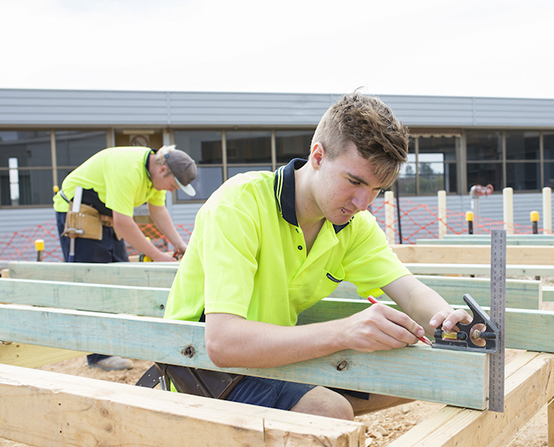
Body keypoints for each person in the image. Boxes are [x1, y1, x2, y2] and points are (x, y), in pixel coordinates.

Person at [163, 92, 472, 420]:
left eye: (376, 190)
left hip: (271, 357)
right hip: (200, 369)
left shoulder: (354, 226)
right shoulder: (240, 205)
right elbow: (222, 344)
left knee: (428, 375)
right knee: (329, 410)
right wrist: (344, 332)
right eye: (354, 181)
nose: (362, 202)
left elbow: (408, 291)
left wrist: (446, 319)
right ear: (318, 156)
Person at [54, 145, 196, 371]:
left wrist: (180, 245)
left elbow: (158, 211)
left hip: (105, 217)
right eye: (173, 185)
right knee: (92, 282)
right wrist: (158, 256)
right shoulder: (129, 169)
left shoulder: (153, 179)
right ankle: (99, 355)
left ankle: (115, 343)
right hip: (80, 212)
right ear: (163, 170)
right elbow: (123, 222)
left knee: (121, 279)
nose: (171, 191)